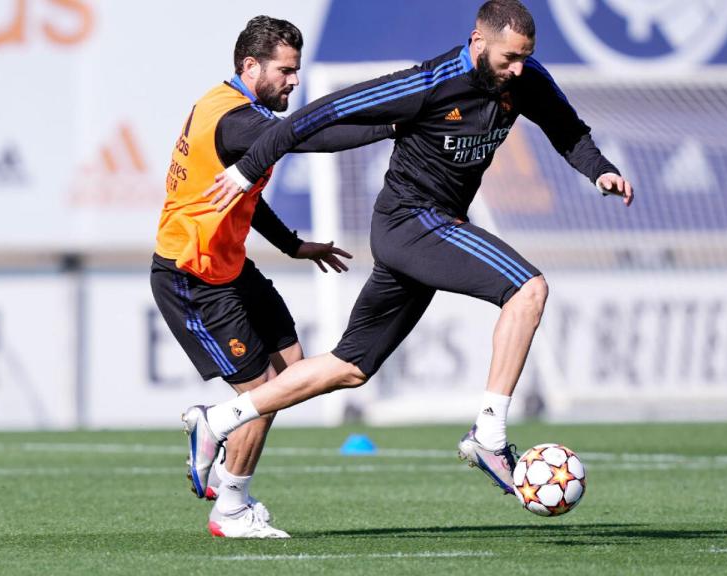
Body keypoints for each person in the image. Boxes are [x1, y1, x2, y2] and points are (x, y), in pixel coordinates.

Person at [183, 0, 634, 516]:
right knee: (528, 289)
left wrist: (599, 170)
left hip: (426, 230)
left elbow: (568, 130)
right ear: (478, 41)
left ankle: (217, 420)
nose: (516, 70)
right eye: (509, 58)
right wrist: (248, 170)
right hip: (411, 221)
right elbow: (319, 114)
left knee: (348, 368)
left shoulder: (525, 79)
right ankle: (489, 432)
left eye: (524, 59)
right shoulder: (427, 82)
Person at [151, 15, 394, 539]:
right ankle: (230, 509)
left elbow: (239, 191)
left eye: (296, 70)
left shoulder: (234, 108)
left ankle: (217, 439)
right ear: (250, 66)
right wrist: (393, 126)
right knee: (262, 391)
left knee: (292, 375)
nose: (293, 80)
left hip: (230, 267)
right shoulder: (238, 121)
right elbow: (312, 139)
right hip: (191, 275)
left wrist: (293, 245)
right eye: (285, 71)